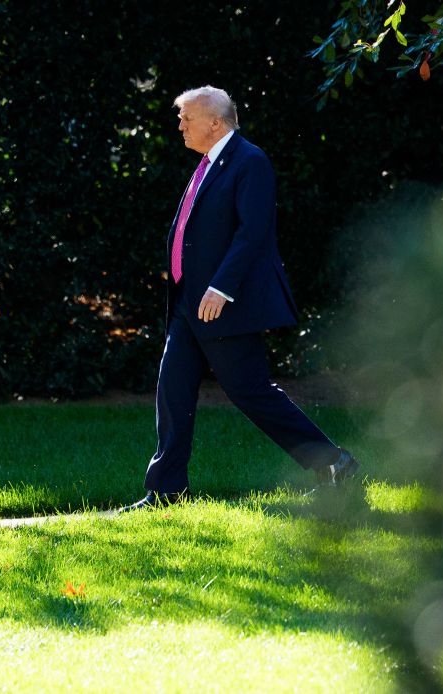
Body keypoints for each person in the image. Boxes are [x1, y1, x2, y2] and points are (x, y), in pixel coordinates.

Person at [119, 86, 358, 513]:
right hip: (189, 304)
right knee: (172, 390)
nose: (180, 125)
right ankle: (166, 491)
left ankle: (335, 462)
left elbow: (253, 233)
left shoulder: (249, 161)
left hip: (222, 304)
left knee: (251, 393)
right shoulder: (207, 165)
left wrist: (221, 287)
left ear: (215, 122)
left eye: (186, 118)